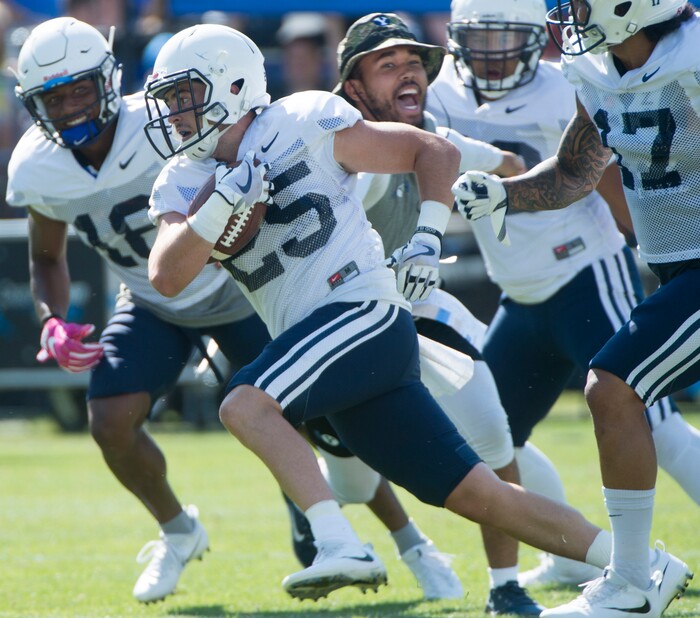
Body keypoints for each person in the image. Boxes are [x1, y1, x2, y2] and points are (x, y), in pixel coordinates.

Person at [144, 22, 689, 614]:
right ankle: (643, 566)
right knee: (480, 494)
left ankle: (338, 541)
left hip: (361, 311)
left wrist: (427, 237)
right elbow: (167, 275)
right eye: (170, 99)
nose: (175, 113)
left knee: (243, 403)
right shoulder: (181, 180)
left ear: (230, 84)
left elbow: (433, 150)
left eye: (184, 96)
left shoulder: (300, 120)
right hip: (327, 342)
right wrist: (218, 206)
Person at [5, 16, 355, 606]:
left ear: (108, 80)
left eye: (78, 91)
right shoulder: (36, 165)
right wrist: (52, 318)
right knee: (109, 421)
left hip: (239, 290)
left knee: (319, 421)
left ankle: (409, 541)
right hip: (151, 300)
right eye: (52, 98)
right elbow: (46, 256)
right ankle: (178, 530)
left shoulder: (163, 116)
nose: (67, 109)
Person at [429, 0, 700, 589]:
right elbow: (576, 171)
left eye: (578, 3)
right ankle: (612, 570)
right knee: (547, 411)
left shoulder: (694, 57)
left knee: (620, 391)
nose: (569, 15)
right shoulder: (598, 72)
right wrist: (507, 195)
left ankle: (630, 580)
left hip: (628, 269)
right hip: (668, 272)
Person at [321, 11, 547, 615]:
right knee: (349, 479)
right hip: (337, 326)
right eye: (386, 64)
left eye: (414, 62)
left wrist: (517, 175)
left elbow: (504, 161)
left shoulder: (430, 138)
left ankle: (506, 584)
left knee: (493, 430)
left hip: (416, 310)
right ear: (354, 87)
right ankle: (362, 530)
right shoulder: (339, 150)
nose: (408, 74)